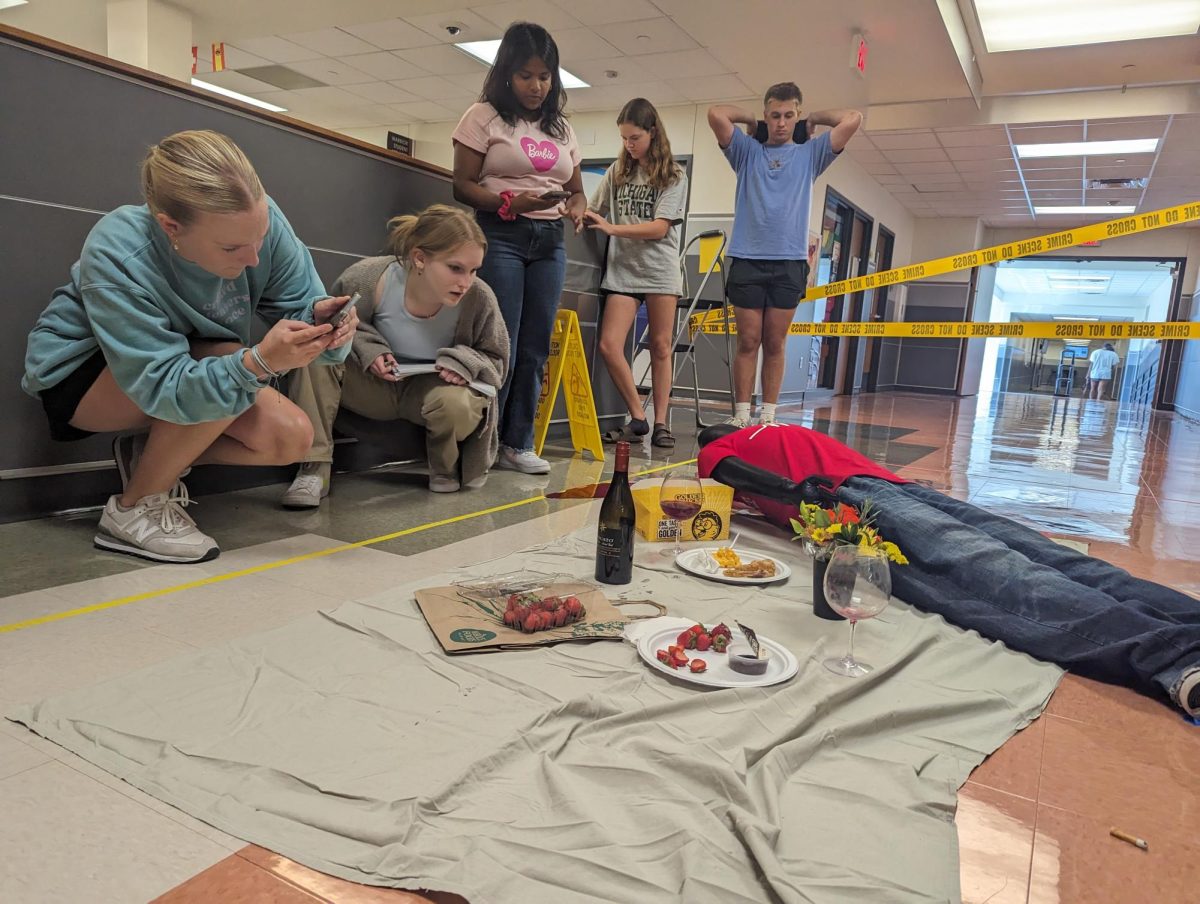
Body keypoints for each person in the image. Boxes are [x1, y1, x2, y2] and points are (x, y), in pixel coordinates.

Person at [696, 423, 1200, 719]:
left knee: (1007, 564)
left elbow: (729, 472)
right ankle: (1176, 644)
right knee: (1029, 560)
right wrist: (791, 496)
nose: (709, 440)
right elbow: (733, 477)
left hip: (860, 492)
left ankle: (1173, 643)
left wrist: (795, 493)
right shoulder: (765, 434)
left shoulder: (737, 440)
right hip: (877, 492)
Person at [21, 130, 356, 564]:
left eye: (261, 235)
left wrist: (326, 331)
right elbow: (164, 385)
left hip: (191, 364)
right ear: (170, 227)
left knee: (290, 438)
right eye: (232, 247)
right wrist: (255, 364)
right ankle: (131, 510)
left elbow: (302, 309)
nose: (253, 257)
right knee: (228, 363)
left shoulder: (258, 220)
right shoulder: (119, 248)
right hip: (83, 374)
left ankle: (151, 457)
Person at [283, 205, 508, 504]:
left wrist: (464, 363)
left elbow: (496, 361)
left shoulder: (479, 298)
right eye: (455, 268)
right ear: (419, 258)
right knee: (315, 353)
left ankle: (444, 469)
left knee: (458, 403)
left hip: (431, 393)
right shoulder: (368, 278)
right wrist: (369, 350)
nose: (465, 282)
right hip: (373, 387)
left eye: (473, 270)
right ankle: (313, 469)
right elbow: (335, 327)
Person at [452, 21, 585, 475]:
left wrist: (579, 208)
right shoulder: (482, 116)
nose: (537, 85)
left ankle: (518, 441)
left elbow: (576, 188)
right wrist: (511, 201)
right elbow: (462, 186)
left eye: (545, 76)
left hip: (550, 240)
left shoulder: (562, 127)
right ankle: (480, 442)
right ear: (507, 72)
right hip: (501, 233)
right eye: (527, 75)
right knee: (500, 341)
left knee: (534, 345)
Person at [707, 84, 862, 427]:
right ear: (766, 116)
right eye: (774, 116)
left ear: (796, 116)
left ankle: (769, 416)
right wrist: (750, 121)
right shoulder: (746, 152)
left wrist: (815, 120)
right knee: (749, 340)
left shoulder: (811, 155)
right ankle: (742, 415)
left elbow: (853, 119)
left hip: (789, 262)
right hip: (747, 258)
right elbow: (716, 114)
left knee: (775, 341)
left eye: (788, 116)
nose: (781, 123)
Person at [586, 98, 689, 450]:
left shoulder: (673, 174)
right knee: (609, 344)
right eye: (624, 138)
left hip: (659, 270)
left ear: (652, 132)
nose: (629, 145)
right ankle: (638, 417)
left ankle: (661, 422)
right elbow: (593, 209)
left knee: (661, 346)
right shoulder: (618, 171)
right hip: (623, 272)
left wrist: (613, 230)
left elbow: (660, 228)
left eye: (635, 138)